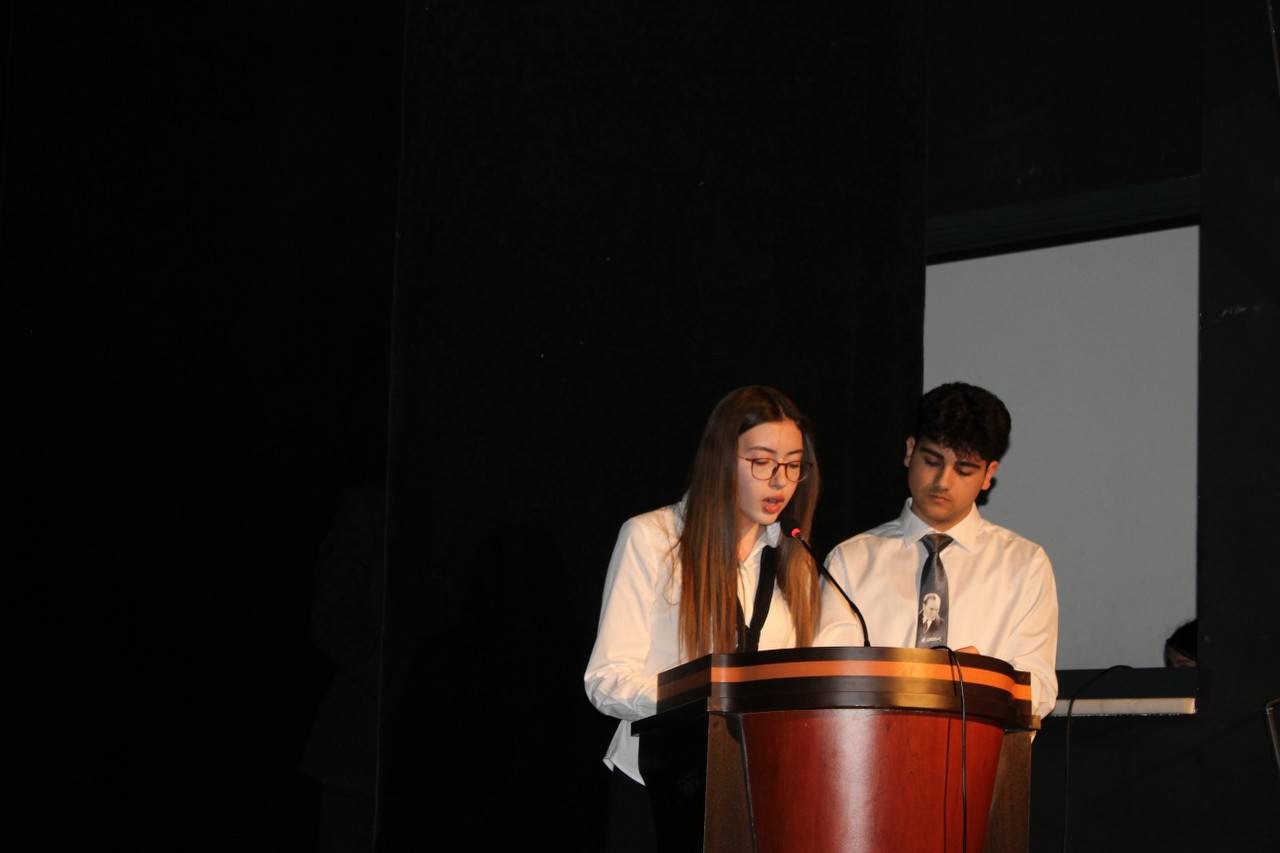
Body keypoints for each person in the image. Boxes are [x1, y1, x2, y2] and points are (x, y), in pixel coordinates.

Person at [584, 386, 822, 848]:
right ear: (720, 458)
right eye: (762, 461)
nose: (780, 481)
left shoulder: (797, 560)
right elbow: (605, 680)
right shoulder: (653, 539)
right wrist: (700, 697)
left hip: (753, 791)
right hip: (656, 787)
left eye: (794, 465)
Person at [817, 382, 1059, 719]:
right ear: (909, 451)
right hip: (872, 744)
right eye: (932, 461)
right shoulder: (851, 561)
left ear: (988, 474)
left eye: (964, 470)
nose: (943, 481)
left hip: (980, 746)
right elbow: (829, 678)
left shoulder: (1024, 565)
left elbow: (1040, 689)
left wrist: (980, 681)